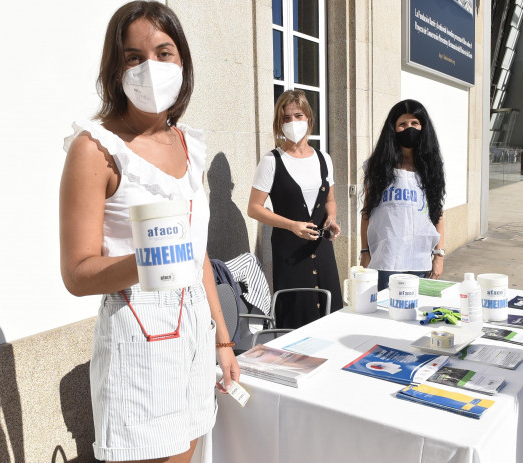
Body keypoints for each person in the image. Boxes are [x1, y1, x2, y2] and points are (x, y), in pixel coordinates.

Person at [58, 2, 239, 462]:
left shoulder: (188, 145)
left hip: (195, 335)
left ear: (183, 62)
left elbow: (196, 256)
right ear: (115, 68)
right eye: (134, 57)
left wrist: (221, 340)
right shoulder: (95, 149)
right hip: (140, 339)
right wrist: (148, 261)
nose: (150, 68)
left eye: (164, 52)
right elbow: (77, 274)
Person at [247, 90, 342, 329]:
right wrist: (292, 225)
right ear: (279, 123)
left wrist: (331, 218)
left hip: (322, 252)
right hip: (289, 255)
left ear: (308, 118)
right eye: (286, 118)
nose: (292, 123)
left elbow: (330, 200)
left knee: (330, 316)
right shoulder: (272, 161)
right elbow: (254, 209)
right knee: (296, 318)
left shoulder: (323, 158)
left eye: (297, 116)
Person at [360, 99, 446, 291]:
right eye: (402, 124)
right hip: (385, 260)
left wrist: (438, 255)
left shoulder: (431, 168)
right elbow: (366, 212)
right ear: (393, 128)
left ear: (423, 126)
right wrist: (365, 250)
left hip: (419, 260)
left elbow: (437, 212)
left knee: (413, 315)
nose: (409, 128)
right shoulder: (377, 167)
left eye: (415, 123)